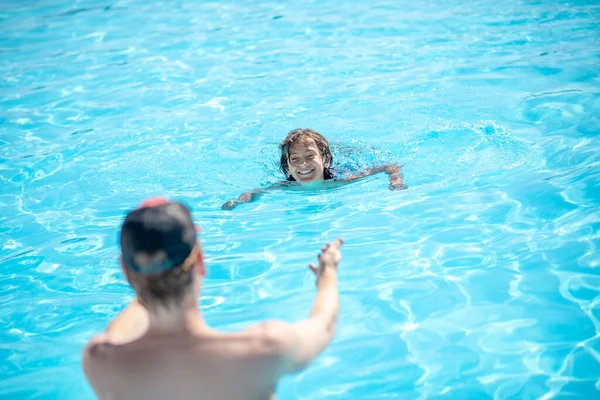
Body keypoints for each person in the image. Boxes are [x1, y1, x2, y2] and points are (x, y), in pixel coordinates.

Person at [82, 197, 344, 400]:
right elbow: (325, 324)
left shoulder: (102, 362)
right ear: (201, 263)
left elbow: (118, 332)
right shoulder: (263, 349)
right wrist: (328, 272)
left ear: (126, 272)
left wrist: (149, 276)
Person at [222, 128, 406, 210]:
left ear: (325, 160)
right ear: (287, 166)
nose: (303, 164)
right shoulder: (288, 185)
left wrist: (396, 180)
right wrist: (240, 202)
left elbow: (388, 166)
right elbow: (254, 192)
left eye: (310, 156)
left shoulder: (342, 179)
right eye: (295, 159)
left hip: (347, 164)